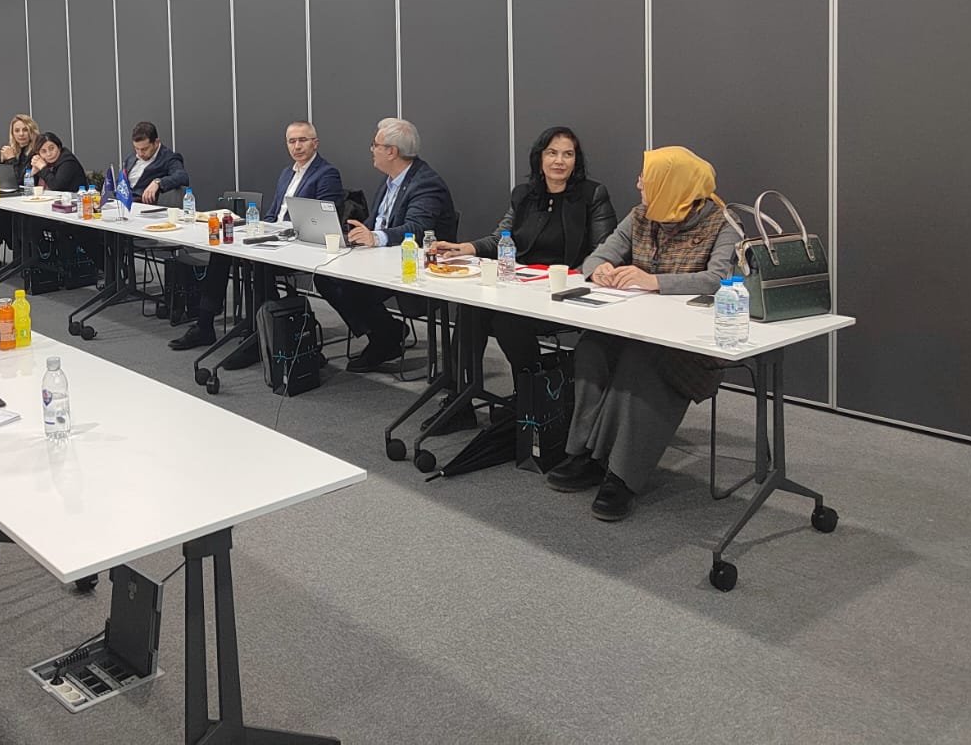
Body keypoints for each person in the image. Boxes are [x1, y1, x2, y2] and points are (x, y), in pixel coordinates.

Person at [543, 146, 738, 523]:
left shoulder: (723, 224)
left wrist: (654, 281)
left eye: (647, 180)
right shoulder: (641, 216)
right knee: (592, 348)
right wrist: (599, 271)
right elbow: (596, 258)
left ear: (672, 186)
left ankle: (621, 475)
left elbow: (718, 280)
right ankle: (584, 455)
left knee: (639, 360)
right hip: (637, 329)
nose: (638, 185)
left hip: (691, 344)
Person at [434, 124, 619, 377]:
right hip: (521, 286)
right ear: (539, 158)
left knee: (508, 319)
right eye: (552, 153)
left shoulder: (592, 195)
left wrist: (575, 279)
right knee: (471, 307)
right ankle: (461, 390)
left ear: (576, 161)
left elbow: (604, 251)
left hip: (564, 289)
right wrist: (467, 248)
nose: (559, 161)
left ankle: (530, 393)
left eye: (568, 154)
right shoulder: (524, 195)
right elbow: (501, 238)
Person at [171, 121, 344, 360]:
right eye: (292, 141)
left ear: (315, 143)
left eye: (302, 140)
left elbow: (324, 221)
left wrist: (281, 231)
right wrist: (261, 228)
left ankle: (260, 334)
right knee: (222, 250)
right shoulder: (287, 173)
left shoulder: (326, 174)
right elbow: (273, 214)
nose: (297, 146)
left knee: (260, 264)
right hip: (276, 238)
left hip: (300, 246)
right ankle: (205, 324)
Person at [314, 117, 457, 373]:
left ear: (391, 151)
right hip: (381, 258)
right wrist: (356, 234)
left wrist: (375, 237)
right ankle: (386, 331)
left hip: (415, 266)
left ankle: (385, 338)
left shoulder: (425, 184)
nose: (372, 149)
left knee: (347, 285)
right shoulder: (391, 179)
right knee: (325, 276)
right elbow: (376, 222)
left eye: (375, 145)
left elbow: (417, 229)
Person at [0, 114, 40, 273]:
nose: (21, 134)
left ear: (32, 131)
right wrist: (3, 161)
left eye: (25, 130)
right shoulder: (15, 151)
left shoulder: (36, 152)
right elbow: (4, 179)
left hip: (31, 199)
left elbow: (22, 180)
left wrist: (11, 160)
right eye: (17, 131)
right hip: (14, 198)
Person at [122, 120, 189, 205]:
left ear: (156, 143)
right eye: (136, 148)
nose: (140, 153)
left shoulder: (168, 158)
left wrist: (158, 182)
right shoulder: (131, 157)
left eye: (144, 149)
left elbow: (182, 177)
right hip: (121, 201)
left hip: (141, 204)